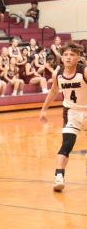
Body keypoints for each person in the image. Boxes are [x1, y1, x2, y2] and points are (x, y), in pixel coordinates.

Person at [40, 43, 87, 192]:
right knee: (66, 144)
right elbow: (54, 91)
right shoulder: (58, 73)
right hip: (71, 112)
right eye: (66, 54)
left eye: (72, 55)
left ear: (78, 57)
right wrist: (44, 109)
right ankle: (59, 176)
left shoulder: (84, 71)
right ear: (61, 57)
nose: (68, 57)